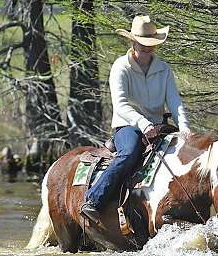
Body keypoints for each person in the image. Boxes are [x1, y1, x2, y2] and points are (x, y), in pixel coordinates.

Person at [80, 15, 191, 223]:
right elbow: (121, 105)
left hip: (158, 126)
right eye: (143, 44)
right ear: (133, 42)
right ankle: (93, 200)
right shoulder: (120, 67)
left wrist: (184, 127)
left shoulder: (164, 69)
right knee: (129, 154)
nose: (148, 49)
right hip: (127, 125)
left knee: (181, 156)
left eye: (151, 44)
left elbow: (175, 102)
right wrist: (143, 123)